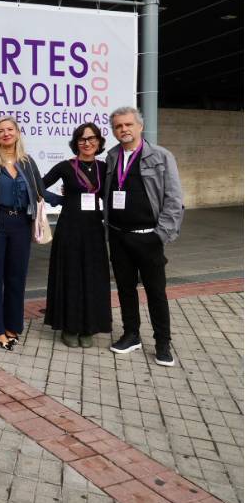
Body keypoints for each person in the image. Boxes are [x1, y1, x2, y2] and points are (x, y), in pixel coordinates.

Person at [103, 106, 183, 366]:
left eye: (128, 124)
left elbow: (174, 200)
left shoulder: (161, 156)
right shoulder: (112, 156)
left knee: (156, 292)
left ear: (140, 126)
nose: (123, 129)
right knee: (125, 289)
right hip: (118, 236)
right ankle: (131, 335)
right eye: (118, 126)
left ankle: (163, 343)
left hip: (148, 237)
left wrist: (160, 235)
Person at [0, 116, 57, 350]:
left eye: (10, 129)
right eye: (1, 131)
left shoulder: (27, 162)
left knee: (16, 277)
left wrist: (68, 199)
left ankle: (11, 324)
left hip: (20, 225)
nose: (6, 133)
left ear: (18, 133)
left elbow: (40, 191)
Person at [42, 123, 112, 347]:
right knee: (71, 276)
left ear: (99, 141)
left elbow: (112, 195)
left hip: (94, 230)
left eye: (91, 138)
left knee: (92, 277)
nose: (87, 143)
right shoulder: (65, 166)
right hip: (69, 230)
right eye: (82, 139)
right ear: (76, 143)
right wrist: (59, 200)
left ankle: (88, 327)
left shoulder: (105, 168)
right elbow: (38, 186)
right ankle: (70, 327)